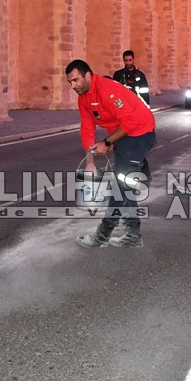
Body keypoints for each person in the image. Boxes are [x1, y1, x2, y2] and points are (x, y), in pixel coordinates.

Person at [66, 59, 156, 248]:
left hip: (140, 133)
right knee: (124, 184)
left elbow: (131, 122)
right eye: (70, 82)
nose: (73, 86)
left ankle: (103, 234)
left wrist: (107, 142)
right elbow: (87, 129)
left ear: (87, 75)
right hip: (124, 135)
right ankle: (133, 235)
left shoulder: (107, 90)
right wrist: (90, 162)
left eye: (75, 80)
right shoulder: (84, 98)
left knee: (120, 185)